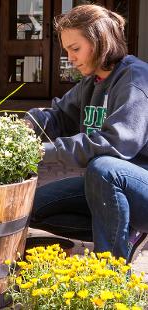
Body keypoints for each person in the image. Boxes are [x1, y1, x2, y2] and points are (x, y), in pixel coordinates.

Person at [24, 4, 148, 263]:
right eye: (67, 49)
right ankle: (123, 234)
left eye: (75, 48)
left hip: (139, 186)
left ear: (100, 42)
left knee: (104, 168)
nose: (70, 57)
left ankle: (110, 270)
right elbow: (57, 117)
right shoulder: (92, 83)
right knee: (31, 207)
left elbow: (118, 145)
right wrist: (24, 127)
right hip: (109, 187)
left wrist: (45, 151)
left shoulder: (135, 79)